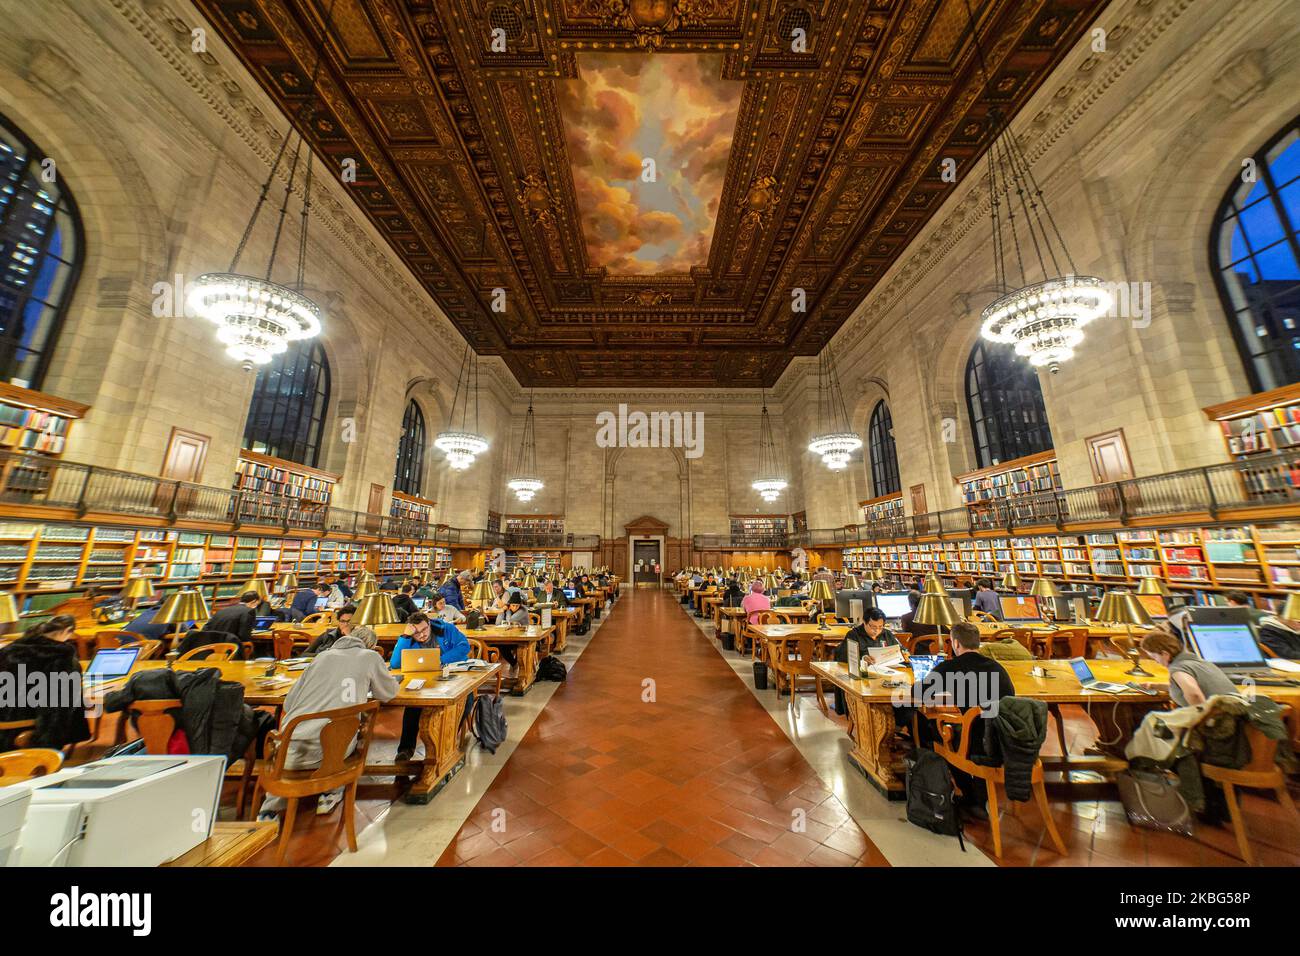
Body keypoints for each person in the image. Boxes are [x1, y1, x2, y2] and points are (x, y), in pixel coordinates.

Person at [258, 623, 399, 821]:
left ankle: (268, 811)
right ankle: (330, 793)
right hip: (331, 755)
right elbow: (388, 693)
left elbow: (289, 703)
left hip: (287, 749)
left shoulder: (321, 657)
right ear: (371, 646)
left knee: (308, 738)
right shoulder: (370, 657)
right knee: (342, 733)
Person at [914, 622, 1016, 817]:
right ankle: (979, 794)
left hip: (974, 741)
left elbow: (918, 693)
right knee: (976, 725)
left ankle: (968, 792)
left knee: (931, 727)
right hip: (1003, 736)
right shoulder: (997, 667)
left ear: (955, 643)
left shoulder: (951, 667)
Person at [0, 615, 91, 751]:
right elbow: (60, 706)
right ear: (66, 632)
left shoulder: (7, 651)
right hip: (29, 728)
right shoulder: (61, 658)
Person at [389, 612, 470, 762]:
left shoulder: (446, 629)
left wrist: (441, 660)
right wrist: (405, 637)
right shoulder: (408, 638)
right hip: (424, 680)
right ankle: (406, 749)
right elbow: (395, 664)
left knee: (466, 700)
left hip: (453, 674)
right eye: (416, 633)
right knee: (412, 705)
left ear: (429, 624)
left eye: (424, 629)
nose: (421, 635)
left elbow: (464, 646)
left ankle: (447, 743)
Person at [1139, 628, 1239, 707]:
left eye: (1154, 657)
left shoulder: (1179, 669)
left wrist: (1201, 720)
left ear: (1165, 654)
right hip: (1237, 713)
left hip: (1221, 722)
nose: (1155, 661)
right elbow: (1185, 687)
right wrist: (1154, 686)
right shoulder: (1200, 662)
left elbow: (1194, 694)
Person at [181, 590, 260, 655]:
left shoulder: (222, 610)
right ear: (254, 601)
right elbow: (244, 635)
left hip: (209, 648)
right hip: (230, 648)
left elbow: (205, 628)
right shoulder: (249, 611)